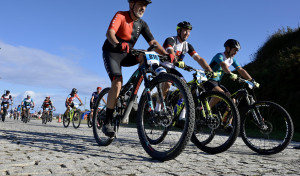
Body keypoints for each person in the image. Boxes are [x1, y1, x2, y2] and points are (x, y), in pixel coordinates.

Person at [101, 0, 174, 137]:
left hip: (128, 53)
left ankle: (134, 91)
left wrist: (166, 54)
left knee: (145, 56)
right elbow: (110, 33)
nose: (143, 8)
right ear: (131, 4)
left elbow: (153, 42)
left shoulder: (142, 24)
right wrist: (118, 43)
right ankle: (107, 121)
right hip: (112, 52)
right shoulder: (121, 15)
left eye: (145, 6)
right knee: (117, 82)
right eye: (141, 4)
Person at [161, 21, 214, 119]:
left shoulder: (187, 45)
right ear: (179, 31)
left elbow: (199, 58)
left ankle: (181, 116)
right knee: (167, 84)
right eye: (185, 31)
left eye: (189, 31)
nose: (187, 33)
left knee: (186, 88)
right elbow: (170, 50)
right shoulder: (171, 39)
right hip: (163, 66)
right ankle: (158, 108)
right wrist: (176, 60)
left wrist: (209, 70)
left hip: (172, 68)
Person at [203, 39, 259, 128]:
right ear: (228, 48)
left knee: (232, 100)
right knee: (221, 94)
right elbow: (223, 65)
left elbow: (240, 70)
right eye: (235, 50)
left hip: (217, 82)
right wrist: (229, 73)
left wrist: (252, 80)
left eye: (237, 51)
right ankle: (205, 110)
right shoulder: (219, 56)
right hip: (207, 80)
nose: (236, 52)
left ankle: (227, 122)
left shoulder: (232, 60)